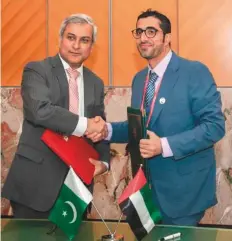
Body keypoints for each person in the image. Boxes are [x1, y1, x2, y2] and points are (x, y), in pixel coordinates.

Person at [88, 9, 225, 226]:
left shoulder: (194, 72)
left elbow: (214, 127)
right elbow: (140, 126)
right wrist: (108, 130)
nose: (143, 37)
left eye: (151, 31)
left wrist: (163, 145)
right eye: (139, 31)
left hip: (183, 194)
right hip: (146, 190)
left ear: (167, 38)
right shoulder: (140, 78)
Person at [2, 13, 110, 219]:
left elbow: (100, 127)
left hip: (77, 189)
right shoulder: (37, 70)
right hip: (35, 186)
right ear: (61, 39)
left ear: (91, 47)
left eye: (84, 40)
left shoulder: (96, 82)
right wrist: (86, 125)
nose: (76, 45)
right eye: (71, 37)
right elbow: (40, 111)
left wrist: (103, 162)